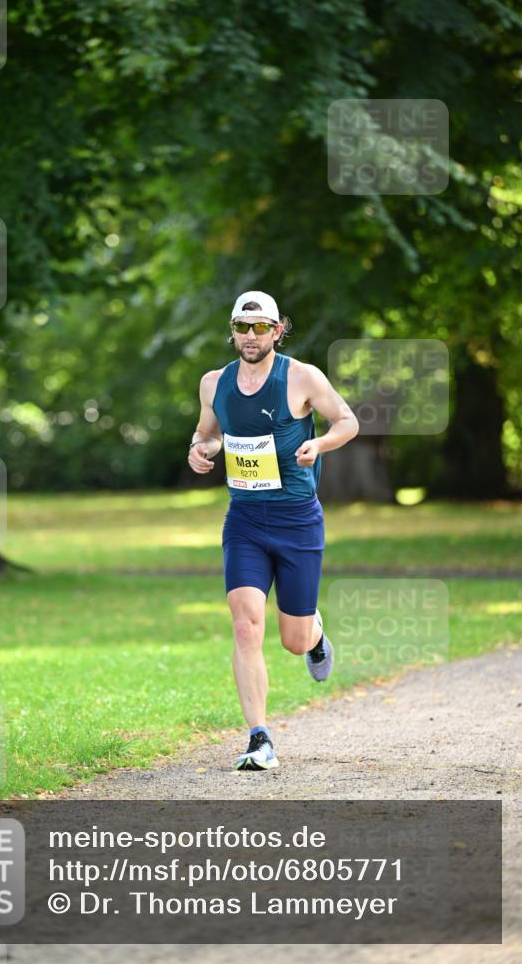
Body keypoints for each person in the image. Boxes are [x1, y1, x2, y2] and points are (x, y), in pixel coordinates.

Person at [187, 291, 359, 770]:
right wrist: (201, 449)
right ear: (233, 329)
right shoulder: (213, 383)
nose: (250, 336)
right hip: (243, 519)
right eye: (243, 327)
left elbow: (347, 420)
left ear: (278, 330)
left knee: (293, 641)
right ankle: (259, 738)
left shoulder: (301, 377)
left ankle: (315, 633)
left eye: (261, 328)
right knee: (245, 622)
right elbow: (208, 431)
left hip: (297, 519)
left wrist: (319, 444)